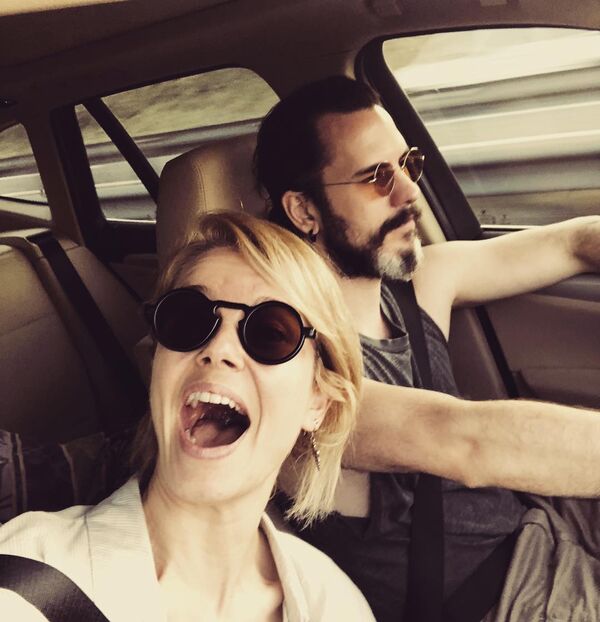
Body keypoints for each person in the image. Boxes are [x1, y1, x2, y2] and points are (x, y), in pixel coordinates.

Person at [254, 76, 600, 621]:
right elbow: (464, 441)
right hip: (505, 601)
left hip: (545, 526)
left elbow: (574, 242)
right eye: (376, 177)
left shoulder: (418, 287)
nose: (409, 192)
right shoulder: (295, 372)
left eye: (406, 164)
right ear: (304, 211)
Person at [0, 212, 375, 621]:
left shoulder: (335, 604)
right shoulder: (26, 581)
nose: (219, 349)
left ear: (318, 403)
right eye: (188, 319)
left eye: (270, 332)